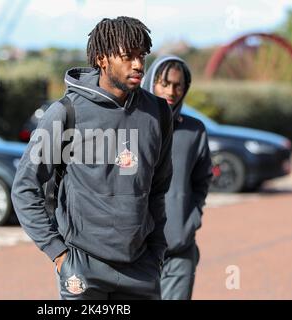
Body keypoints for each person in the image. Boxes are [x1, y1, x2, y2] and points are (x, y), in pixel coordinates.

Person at [11, 16, 173, 300]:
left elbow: (159, 188)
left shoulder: (158, 113)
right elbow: (24, 187)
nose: (138, 65)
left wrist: (157, 253)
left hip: (142, 268)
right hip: (83, 268)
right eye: (127, 57)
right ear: (102, 59)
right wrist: (59, 254)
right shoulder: (66, 112)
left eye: (142, 56)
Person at [142, 56, 213, 299]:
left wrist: (190, 220)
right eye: (165, 83)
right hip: (136, 254)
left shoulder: (195, 131)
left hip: (179, 249)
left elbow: (202, 181)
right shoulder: (130, 126)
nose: (171, 90)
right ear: (151, 83)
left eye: (178, 85)